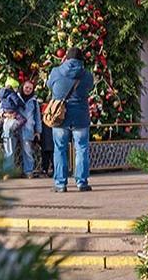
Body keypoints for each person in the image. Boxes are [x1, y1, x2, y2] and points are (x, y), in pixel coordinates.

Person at [47, 47, 96, 193]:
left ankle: (60, 184)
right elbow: (90, 87)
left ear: (65, 58)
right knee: (81, 149)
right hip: (80, 117)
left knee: (60, 149)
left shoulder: (56, 71)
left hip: (60, 117)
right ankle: (82, 183)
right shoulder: (87, 75)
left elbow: (50, 86)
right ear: (81, 60)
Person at [0, 78, 39, 178]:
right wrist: (4, 114)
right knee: (9, 151)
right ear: (22, 87)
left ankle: (28, 172)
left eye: (30, 88)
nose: (28, 89)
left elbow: (37, 117)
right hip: (12, 127)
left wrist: (38, 131)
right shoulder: (13, 95)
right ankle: (8, 172)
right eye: (26, 87)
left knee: (27, 151)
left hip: (27, 130)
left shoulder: (34, 101)